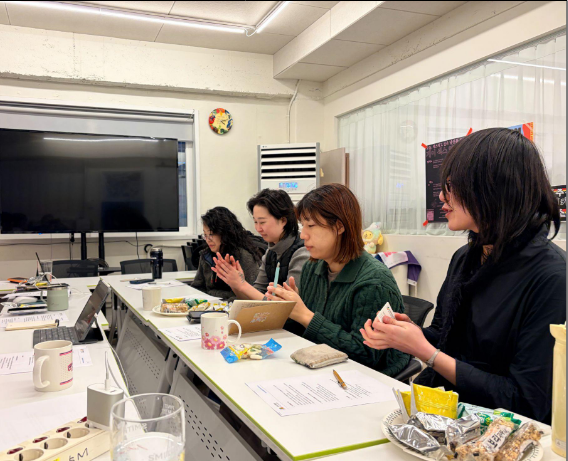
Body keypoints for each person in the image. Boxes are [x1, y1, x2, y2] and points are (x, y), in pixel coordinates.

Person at [360, 128, 566, 423]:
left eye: (452, 186)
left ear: (494, 189)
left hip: (500, 432)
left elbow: (524, 401)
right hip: (446, 415)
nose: (441, 196)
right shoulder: (466, 257)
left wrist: (426, 353)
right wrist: (408, 335)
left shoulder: (552, 276)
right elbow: (444, 335)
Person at [265, 184, 409, 377]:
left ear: (339, 226)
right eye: (302, 225)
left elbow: (366, 354)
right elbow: (304, 334)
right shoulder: (312, 268)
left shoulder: (374, 281)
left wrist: (306, 315)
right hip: (321, 368)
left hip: (368, 379)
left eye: (311, 226)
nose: (303, 234)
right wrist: (288, 311)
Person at [212, 189, 309, 300]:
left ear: (283, 221)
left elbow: (282, 304)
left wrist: (242, 284)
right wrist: (235, 284)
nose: (258, 228)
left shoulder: (302, 253)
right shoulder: (270, 252)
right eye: (255, 222)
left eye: (262, 222)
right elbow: (256, 297)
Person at [191, 207, 262, 301]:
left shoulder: (245, 257)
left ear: (224, 233)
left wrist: (222, 302)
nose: (208, 240)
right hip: (211, 305)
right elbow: (198, 287)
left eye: (211, 234)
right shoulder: (206, 255)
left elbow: (252, 296)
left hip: (232, 306)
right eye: (205, 235)